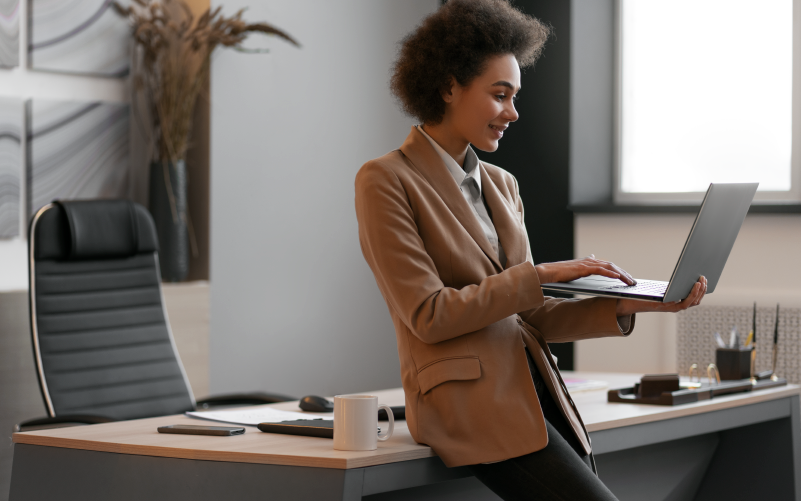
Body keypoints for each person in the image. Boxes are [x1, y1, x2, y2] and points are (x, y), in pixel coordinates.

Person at [354, 1, 707, 499]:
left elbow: (530, 316)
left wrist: (635, 302)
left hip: (536, 393)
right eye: (500, 95)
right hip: (468, 406)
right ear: (449, 86)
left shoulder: (503, 184)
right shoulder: (386, 180)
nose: (513, 113)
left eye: (515, 96)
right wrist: (539, 274)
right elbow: (429, 315)